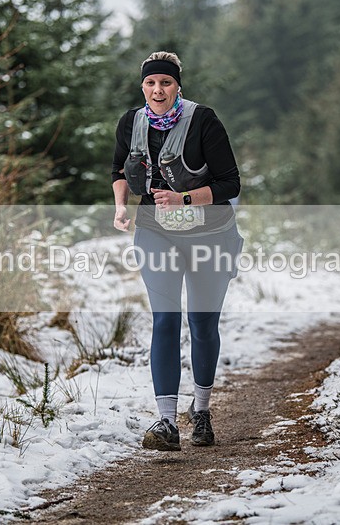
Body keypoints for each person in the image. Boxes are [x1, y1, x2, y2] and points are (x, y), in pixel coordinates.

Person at [111, 51, 242, 451]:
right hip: (156, 232)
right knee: (165, 319)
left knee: (202, 324)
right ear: (143, 87)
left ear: (177, 85)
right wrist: (120, 206)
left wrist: (184, 199)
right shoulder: (131, 123)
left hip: (209, 233)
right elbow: (119, 170)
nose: (158, 89)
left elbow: (229, 184)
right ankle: (166, 422)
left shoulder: (203, 120)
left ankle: (200, 411)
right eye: (151, 83)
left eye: (165, 82)